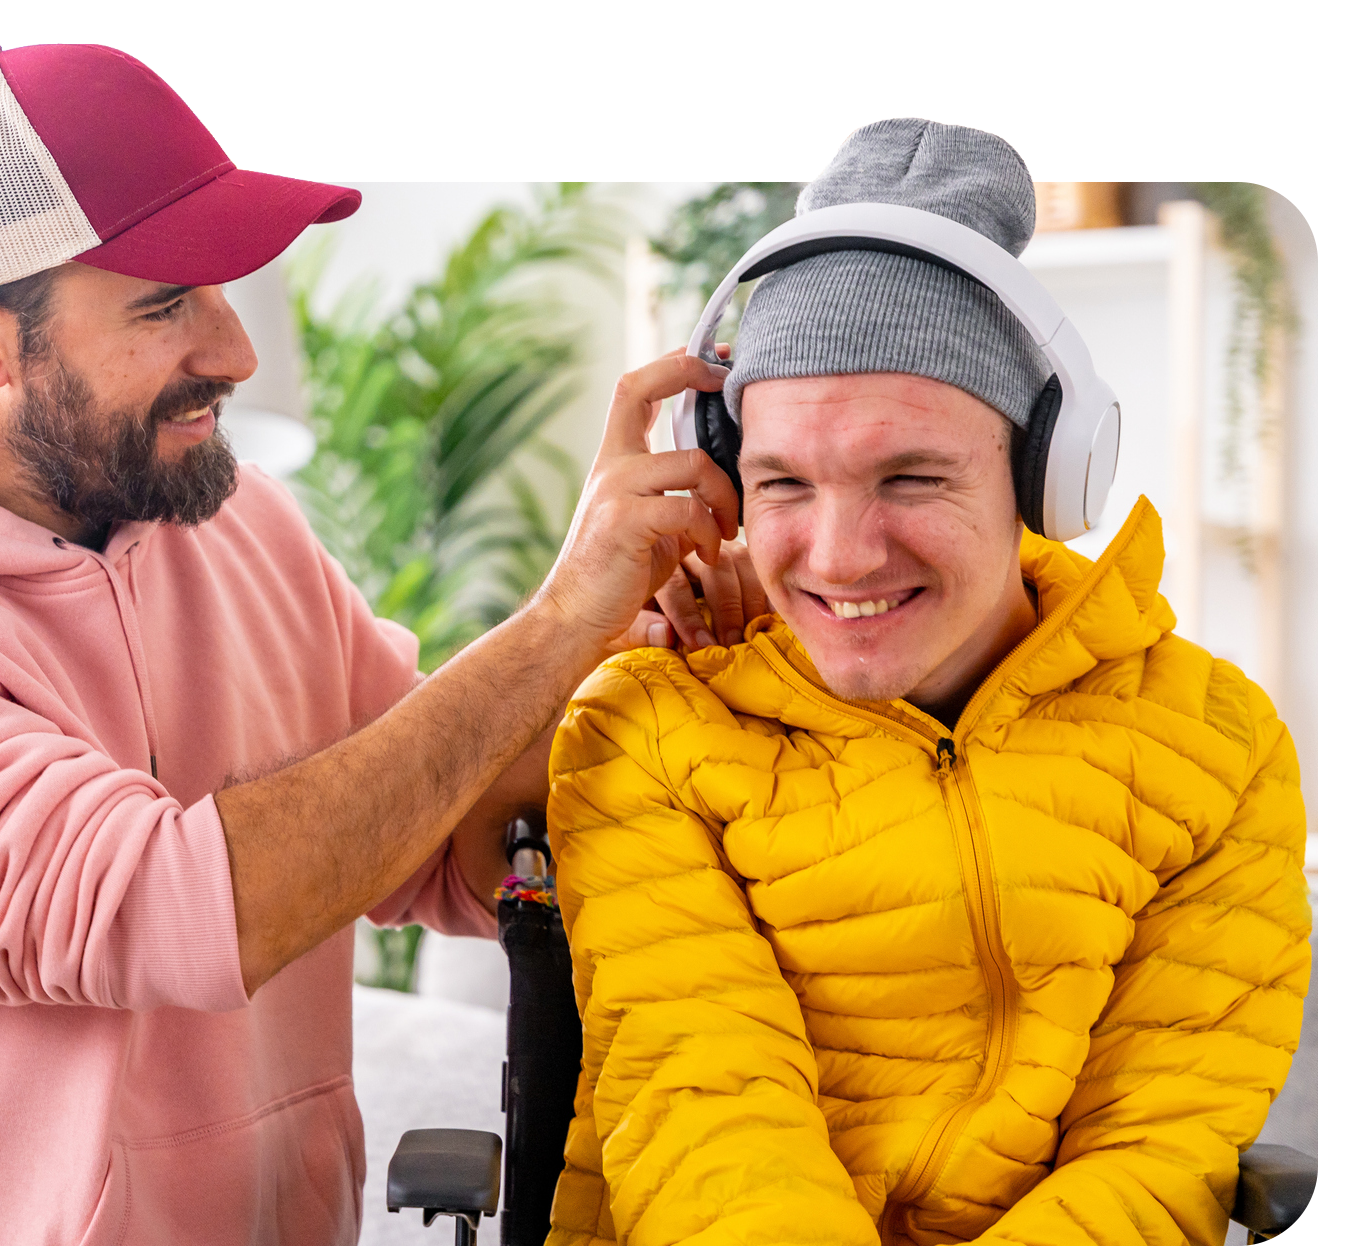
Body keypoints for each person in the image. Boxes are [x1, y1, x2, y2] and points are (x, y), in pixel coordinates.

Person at [0, 43, 765, 1245]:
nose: (235, 352)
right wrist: (556, 621)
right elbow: (159, 909)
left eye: (222, 288)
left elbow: (436, 836)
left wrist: (654, 664)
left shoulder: (238, 524)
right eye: (164, 304)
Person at [545, 119, 1311, 1246]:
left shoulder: (1216, 743)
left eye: (910, 475)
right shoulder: (646, 730)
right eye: (783, 482)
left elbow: (1155, 1150)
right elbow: (708, 1120)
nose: (841, 554)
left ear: (1045, 478)